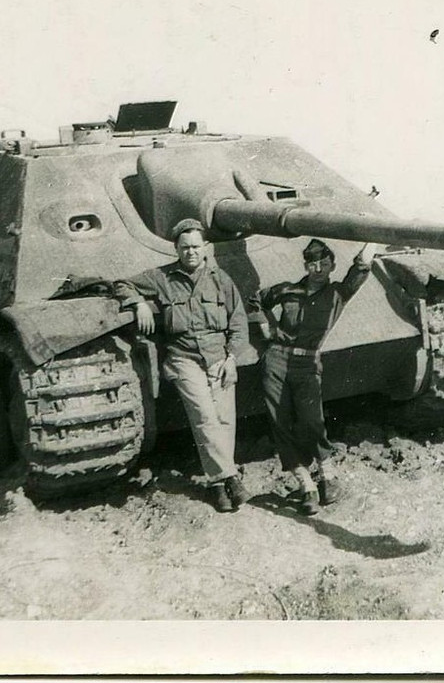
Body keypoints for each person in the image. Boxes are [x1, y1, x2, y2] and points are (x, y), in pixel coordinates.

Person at [113, 218, 251, 513]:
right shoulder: (161, 278)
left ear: (206, 248)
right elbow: (121, 284)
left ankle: (217, 485)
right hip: (184, 358)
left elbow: (238, 321)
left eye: (195, 247)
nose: (190, 252)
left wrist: (232, 358)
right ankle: (229, 477)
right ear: (176, 249)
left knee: (225, 420)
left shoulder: (220, 279)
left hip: (219, 357)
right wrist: (138, 303)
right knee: (204, 417)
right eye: (184, 247)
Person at [251, 239, 379, 515]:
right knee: (280, 422)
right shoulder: (287, 290)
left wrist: (375, 238)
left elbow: (360, 268)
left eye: (323, 263)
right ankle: (305, 485)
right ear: (305, 265)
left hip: (307, 362)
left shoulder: (337, 293)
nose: (318, 268)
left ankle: (328, 476)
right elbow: (257, 300)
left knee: (313, 421)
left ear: (333, 265)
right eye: (312, 263)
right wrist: (266, 324)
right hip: (276, 359)